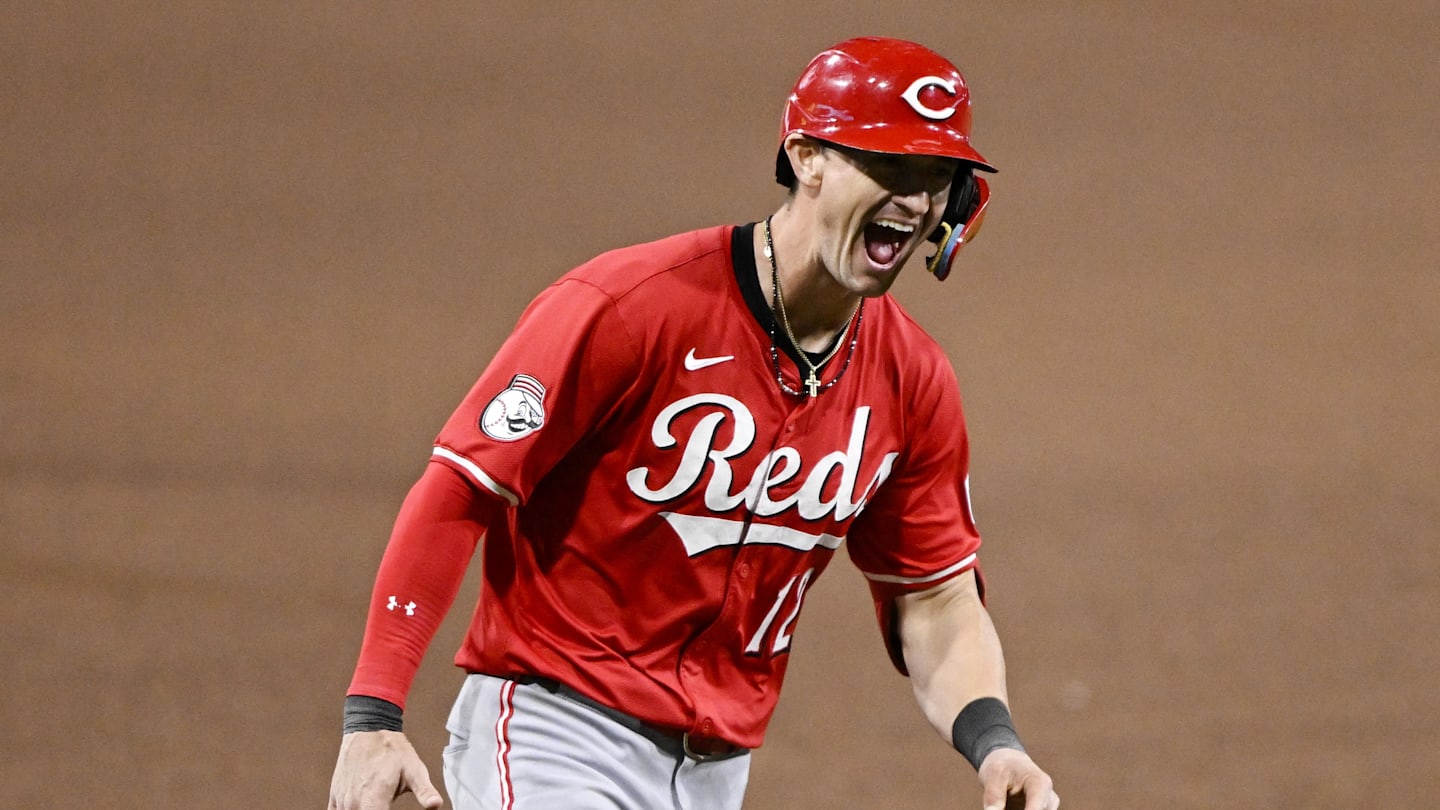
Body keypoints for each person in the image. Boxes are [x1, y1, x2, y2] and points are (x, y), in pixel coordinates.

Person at [327, 35, 1059, 810]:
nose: (913, 202)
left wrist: (996, 744)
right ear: (807, 156)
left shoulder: (912, 379)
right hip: (556, 735)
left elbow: (936, 598)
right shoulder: (630, 307)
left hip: (715, 774)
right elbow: (461, 488)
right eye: (887, 166)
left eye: (935, 178)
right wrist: (373, 713)